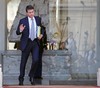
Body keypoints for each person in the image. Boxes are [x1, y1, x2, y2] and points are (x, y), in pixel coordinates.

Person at [16, 5, 43, 85]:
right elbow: (17, 32)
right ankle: (21, 78)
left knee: (36, 60)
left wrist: (41, 34)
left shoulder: (38, 19)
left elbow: (41, 29)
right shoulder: (22, 21)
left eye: (32, 12)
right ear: (27, 13)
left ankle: (31, 75)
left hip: (35, 42)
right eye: (30, 12)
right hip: (26, 43)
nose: (31, 14)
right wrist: (20, 30)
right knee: (23, 62)